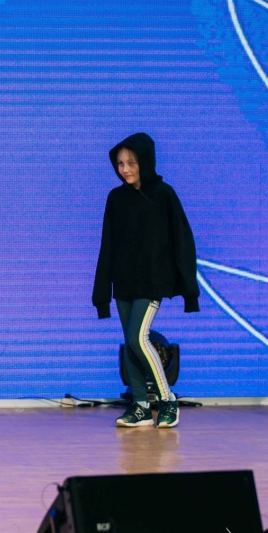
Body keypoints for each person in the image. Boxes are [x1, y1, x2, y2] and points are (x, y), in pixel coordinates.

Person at [92, 132, 199, 428]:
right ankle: (139, 406)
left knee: (138, 337)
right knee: (130, 342)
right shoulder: (116, 198)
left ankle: (167, 399)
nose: (125, 169)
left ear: (145, 161)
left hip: (152, 281)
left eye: (131, 163)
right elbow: (108, 245)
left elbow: (182, 240)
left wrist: (189, 290)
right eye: (120, 164)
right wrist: (102, 292)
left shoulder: (164, 194)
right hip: (123, 282)